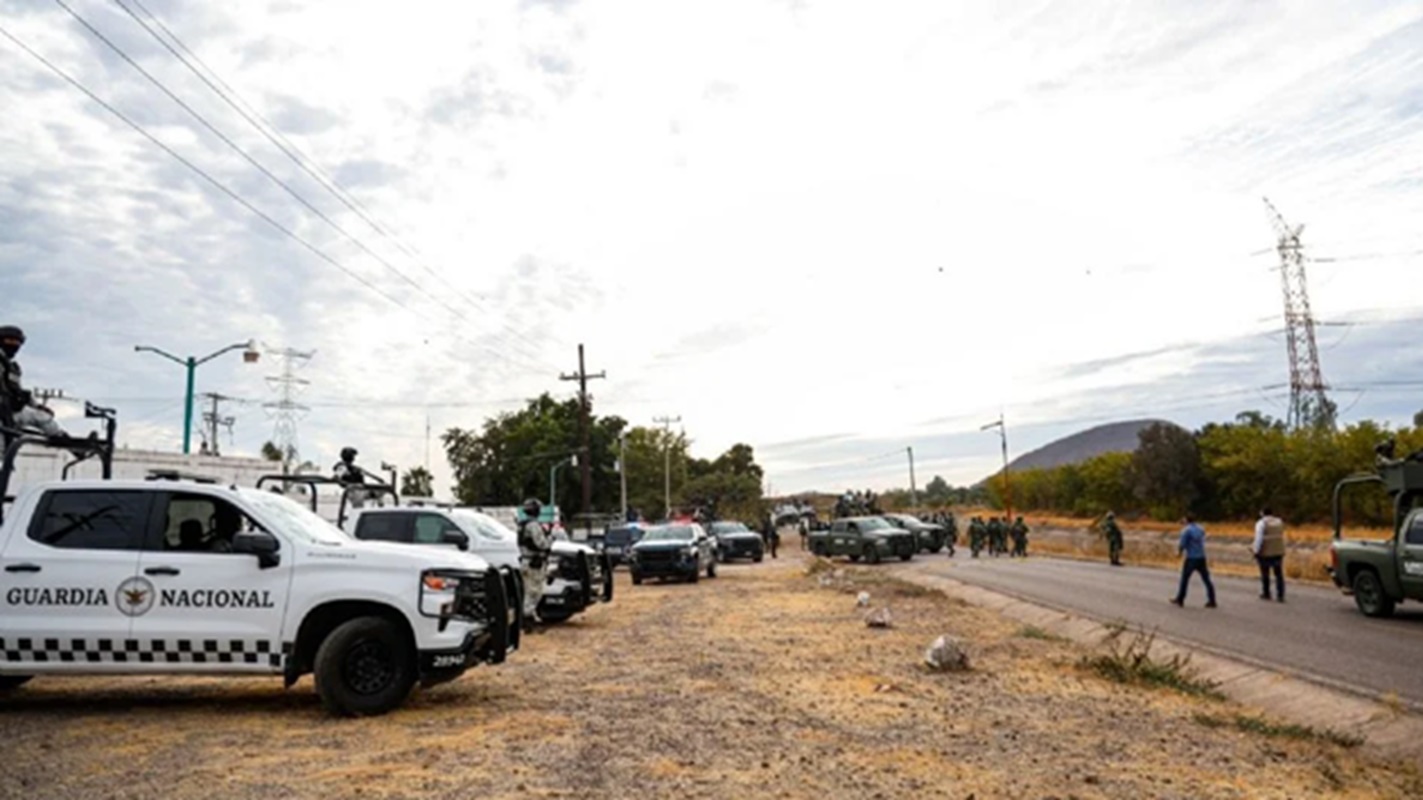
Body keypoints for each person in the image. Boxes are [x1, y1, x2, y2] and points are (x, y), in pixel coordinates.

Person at [0, 325, 68, 439]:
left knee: (42, 417)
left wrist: (37, 406)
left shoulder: (13, 368)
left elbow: (18, 391)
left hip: (13, 411)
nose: (15, 345)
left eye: (18, 342)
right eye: (10, 340)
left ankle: (64, 440)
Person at [517, 498, 552, 631]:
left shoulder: (522, 525)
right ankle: (527, 620)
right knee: (534, 592)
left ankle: (530, 618)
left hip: (526, 561)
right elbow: (541, 544)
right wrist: (550, 538)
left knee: (528, 591)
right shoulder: (533, 525)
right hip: (533, 563)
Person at [1170, 515, 1217, 608]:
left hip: (1191, 557)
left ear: (1186, 520)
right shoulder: (1200, 528)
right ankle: (1212, 600)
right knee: (1206, 579)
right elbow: (1204, 537)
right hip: (1201, 557)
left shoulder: (1186, 530)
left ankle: (1180, 599)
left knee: (1185, 578)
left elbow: (1182, 544)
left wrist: (1179, 553)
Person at [1254, 507, 1287, 602]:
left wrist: (1256, 551)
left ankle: (1266, 592)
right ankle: (1280, 594)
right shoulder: (1279, 522)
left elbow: (1259, 538)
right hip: (1278, 550)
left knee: (1265, 573)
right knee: (1279, 574)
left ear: (1262, 513)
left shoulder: (1261, 523)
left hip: (1266, 551)